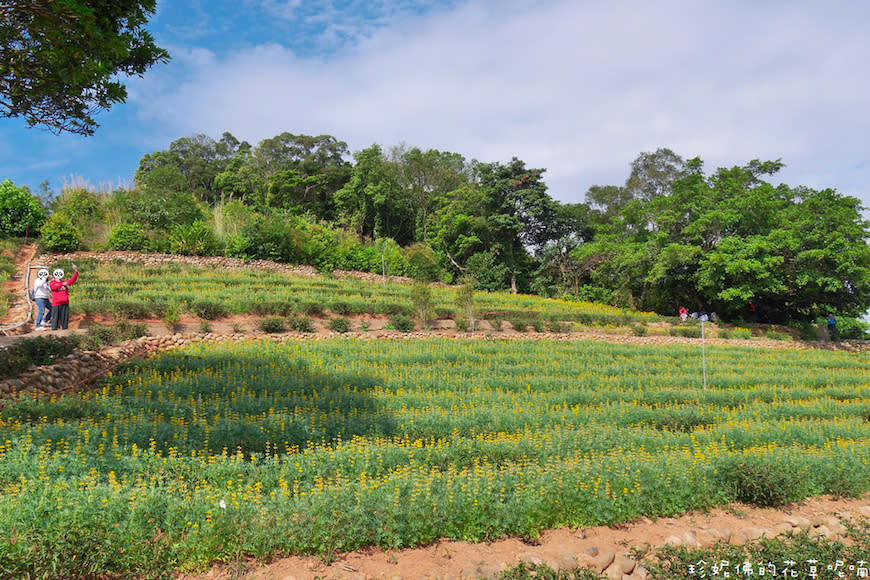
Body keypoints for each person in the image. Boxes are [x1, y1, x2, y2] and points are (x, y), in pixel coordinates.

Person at [49, 263, 78, 330]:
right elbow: (53, 288)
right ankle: (54, 331)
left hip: (65, 303)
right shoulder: (52, 283)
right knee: (55, 318)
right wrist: (62, 285)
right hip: (56, 304)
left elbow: (72, 280)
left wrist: (76, 271)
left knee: (65, 318)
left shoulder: (65, 282)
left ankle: (65, 330)